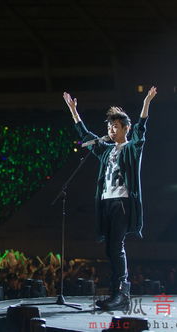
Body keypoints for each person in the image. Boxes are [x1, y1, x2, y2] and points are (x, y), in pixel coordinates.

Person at [62, 86, 157, 310]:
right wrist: (74, 111)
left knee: (116, 246)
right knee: (110, 249)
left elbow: (141, 130)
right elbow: (86, 136)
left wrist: (146, 103)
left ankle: (122, 292)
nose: (111, 130)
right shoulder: (106, 150)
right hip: (106, 202)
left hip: (122, 202)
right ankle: (117, 292)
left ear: (125, 128)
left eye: (115, 126)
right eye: (109, 126)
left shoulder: (132, 148)